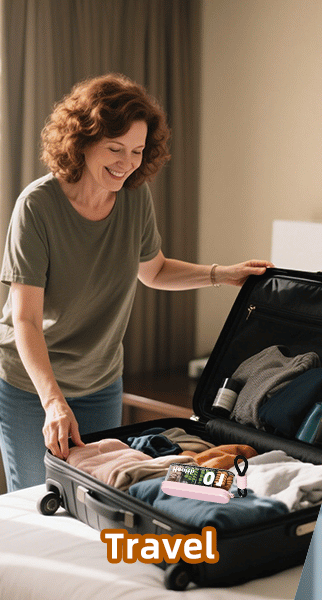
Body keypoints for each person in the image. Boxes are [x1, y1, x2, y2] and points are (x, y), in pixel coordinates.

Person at [0, 74, 271, 492]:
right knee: (41, 498)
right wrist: (53, 401)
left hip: (101, 380)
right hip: (31, 386)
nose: (126, 163)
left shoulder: (133, 196)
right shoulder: (38, 206)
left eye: (137, 151)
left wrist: (223, 274)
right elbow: (26, 321)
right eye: (115, 148)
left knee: (104, 496)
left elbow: (155, 270)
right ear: (82, 140)